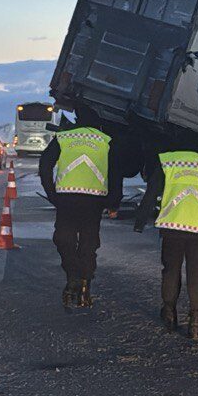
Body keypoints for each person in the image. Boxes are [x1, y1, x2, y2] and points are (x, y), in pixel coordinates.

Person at [133, 147, 198, 341]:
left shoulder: (169, 162)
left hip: (173, 226)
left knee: (171, 269)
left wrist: (140, 221)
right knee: (197, 273)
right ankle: (196, 322)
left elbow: (152, 191)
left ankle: (169, 312)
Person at [39, 107, 122, 309]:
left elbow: (45, 165)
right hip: (94, 201)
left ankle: (74, 277)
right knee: (88, 244)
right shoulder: (106, 140)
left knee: (63, 239)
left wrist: (51, 194)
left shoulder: (64, 137)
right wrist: (113, 202)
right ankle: (84, 284)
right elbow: (115, 172)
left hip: (66, 199)